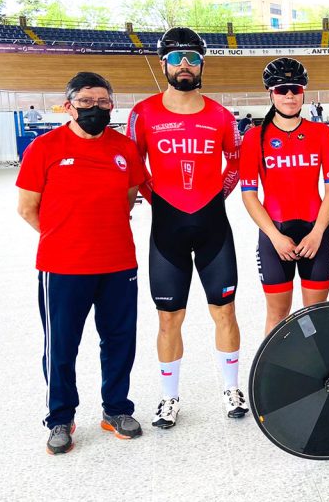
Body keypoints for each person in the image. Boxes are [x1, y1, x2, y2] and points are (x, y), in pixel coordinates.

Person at [16, 72, 146, 455]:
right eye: (85, 101)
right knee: (61, 346)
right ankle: (60, 418)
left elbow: (128, 197)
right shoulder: (45, 147)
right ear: (69, 105)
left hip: (118, 263)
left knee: (120, 341)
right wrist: (64, 238)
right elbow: (27, 208)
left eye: (102, 102)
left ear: (111, 105)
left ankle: (116, 410)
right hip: (63, 267)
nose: (94, 108)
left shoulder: (124, 148)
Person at [128, 27, 247, 428]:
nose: (184, 65)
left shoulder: (220, 115)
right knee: (168, 319)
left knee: (225, 312)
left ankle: (231, 388)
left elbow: (236, 162)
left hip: (213, 227)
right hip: (167, 231)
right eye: (176, 57)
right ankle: (168, 397)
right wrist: (153, 194)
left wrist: (218, 195)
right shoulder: (142, 113)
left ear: (202, 64)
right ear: (163, 63)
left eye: (192, 58)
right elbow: (133, 164)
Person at [240, 58, 329, 334]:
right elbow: (249, 195)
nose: (289, 95)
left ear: (303, 91)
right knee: (278, 316)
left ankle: (312, 375)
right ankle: (275, 376)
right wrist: (274, 236)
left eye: (295, 89)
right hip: (275, 236)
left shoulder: (321, 134)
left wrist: (318, 231)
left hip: (315, 235)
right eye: (281, 89)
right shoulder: (254, 138)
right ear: (270, 93)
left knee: (314, 317)